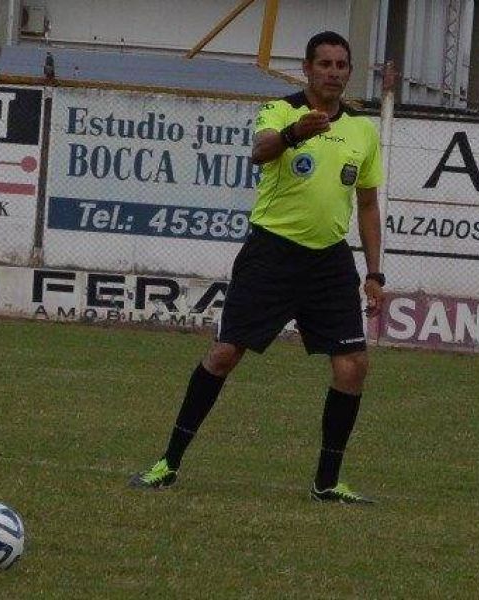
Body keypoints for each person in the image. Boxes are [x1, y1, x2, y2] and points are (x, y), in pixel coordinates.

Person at [129, 31, 385, 504]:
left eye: (341, 64)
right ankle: (169, 462)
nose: (333, 72)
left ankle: (327, 482)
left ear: (349, 71)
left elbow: (367, 204)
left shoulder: (364, 130)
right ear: (307, 69)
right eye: (323, 64)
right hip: (273, 254)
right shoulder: (281, 111)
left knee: (353, 367)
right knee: (225, 355)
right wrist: (294, 134)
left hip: (330, 261)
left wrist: (374, 272)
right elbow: (260, 150)